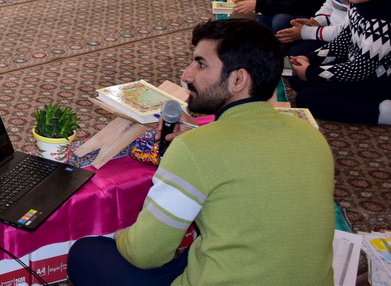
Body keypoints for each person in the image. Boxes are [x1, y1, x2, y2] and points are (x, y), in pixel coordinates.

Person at [68, 18, 335, 285]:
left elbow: (144, 255)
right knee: (201, 249)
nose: (187, 74)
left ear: (238, 79)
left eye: (201, 63)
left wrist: (119, 237)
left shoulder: (196, 149)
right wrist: (201, 141)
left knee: (87, 253)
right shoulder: (310, 135)